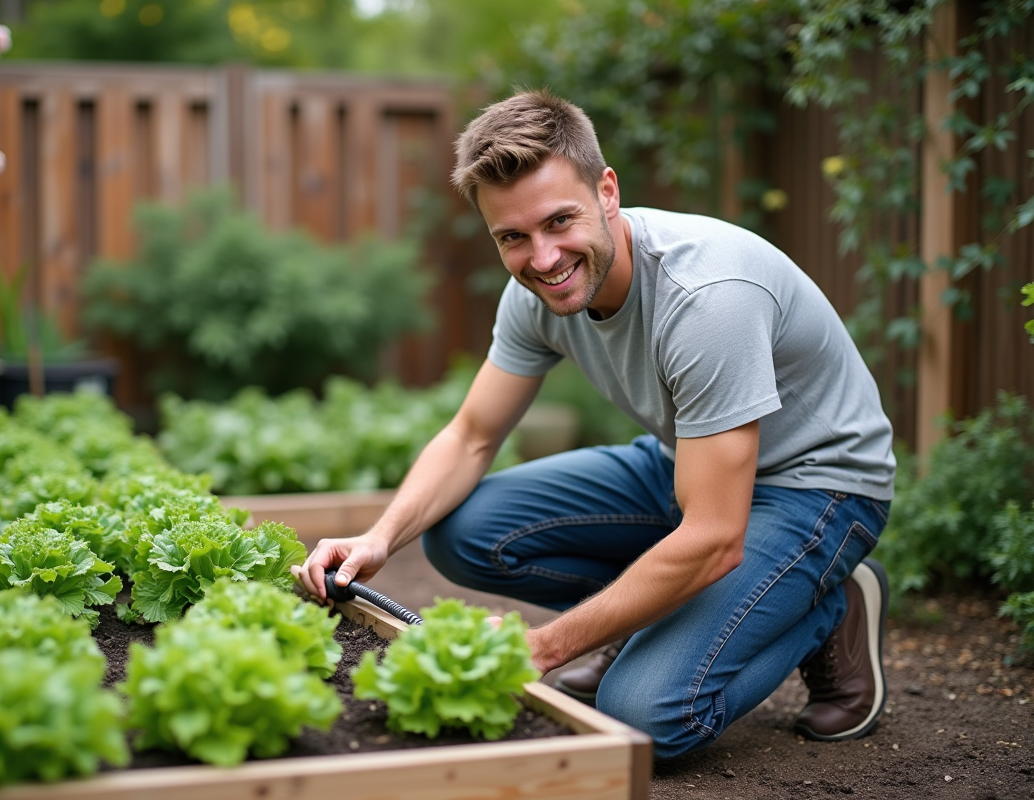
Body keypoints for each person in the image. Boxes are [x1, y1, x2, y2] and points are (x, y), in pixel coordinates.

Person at [295, 88, 895, 759]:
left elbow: (715, 536)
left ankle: (827, 602)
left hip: (819, 488)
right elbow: (472, 436)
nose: (543, 258)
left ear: (607, 190)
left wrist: (546, 645)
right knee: (463, 533)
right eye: (512, 237)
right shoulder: (535, 292)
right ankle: (670, 622)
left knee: (645, 719)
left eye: (559, 222)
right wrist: (379, 539)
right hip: (691, 464)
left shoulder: (707, 301)